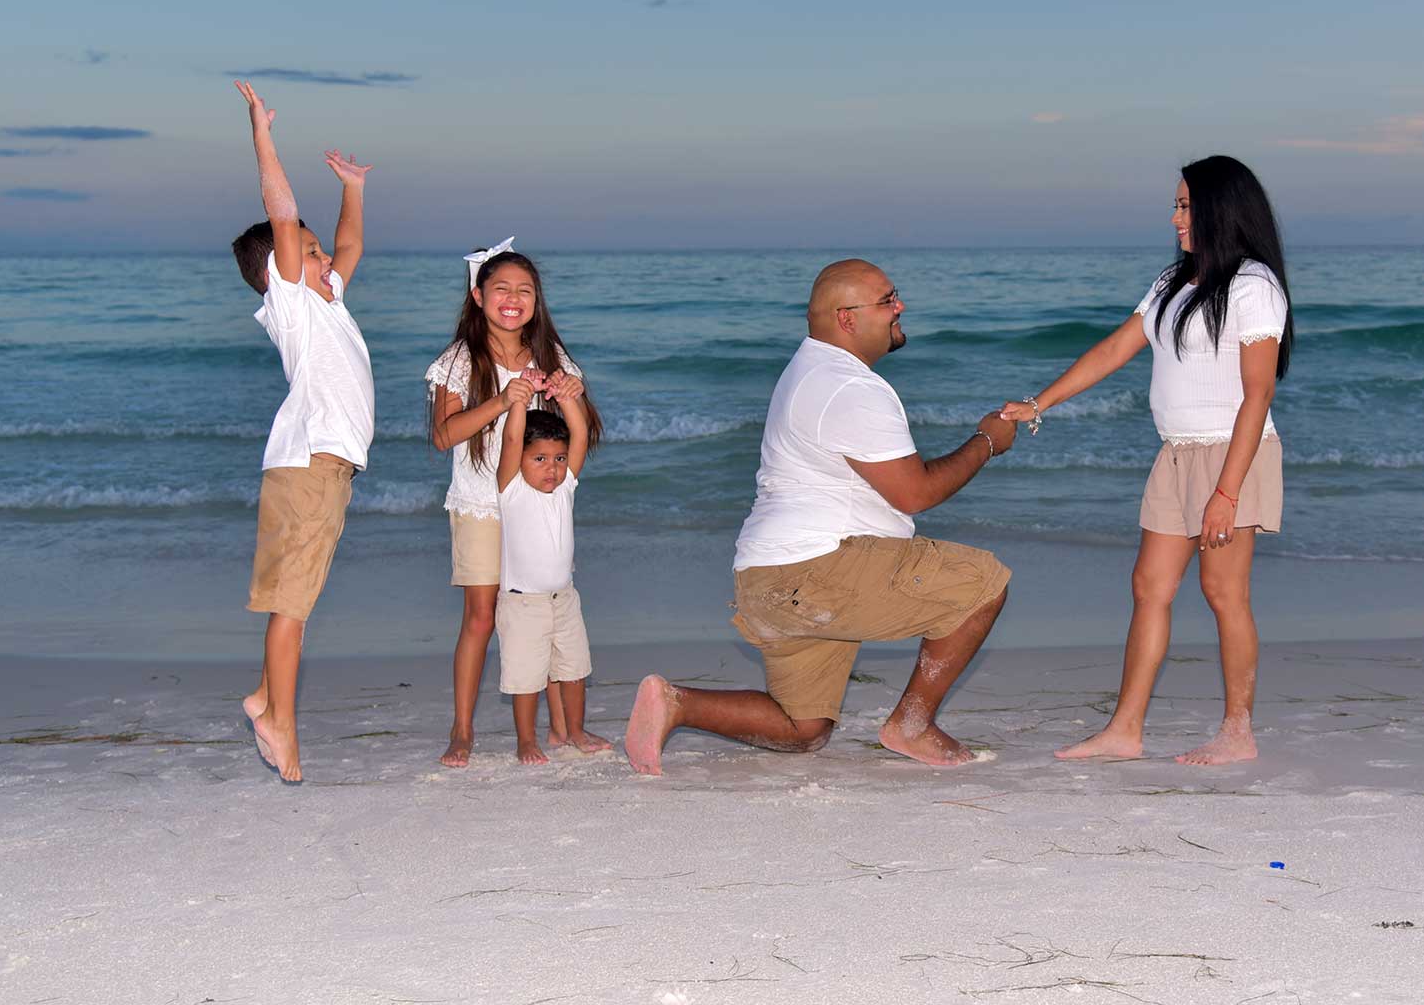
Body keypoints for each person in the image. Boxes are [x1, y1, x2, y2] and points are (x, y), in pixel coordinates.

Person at [624, 259, 1017, 776]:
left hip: (766, 578)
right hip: (816, 570)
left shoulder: (808, 368)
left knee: (802, 729)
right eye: (887, 299)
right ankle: (912, 724)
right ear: (847, 318)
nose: (900, 307)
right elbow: (915, 494)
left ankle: (676, 702)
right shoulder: (849, 386)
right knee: (983, 583)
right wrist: (987, 442)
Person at [1002, 155, 1293, 765]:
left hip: (1232, 456)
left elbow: (1258, 393)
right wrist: (1039, 403)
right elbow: (1115, 348)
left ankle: (1238, 732)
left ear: (1220, 208)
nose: (1175, 216)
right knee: (1148, 587)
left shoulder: (1253, 285)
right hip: (1178, 455)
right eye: (1177, 205)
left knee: (1223, 593)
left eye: (1186, 205)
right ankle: (1124, 731)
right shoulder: (1172, 283)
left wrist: (1227, 492)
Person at [229, 80, 376, 783]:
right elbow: (281, 216)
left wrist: (352, 188)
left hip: (324, 467)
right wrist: (262, 133)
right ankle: (279, 724)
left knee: (296, 591)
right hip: (311, 465)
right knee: (294, 606)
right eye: (307, 254)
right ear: (278, 273)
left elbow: (348, 244)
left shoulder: (326, 299)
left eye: (316, 255)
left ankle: (265, 694)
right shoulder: (291, 303)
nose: (323, 262)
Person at [425, 244, 603, 766]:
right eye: (501, 288)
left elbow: (581, 431)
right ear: (478, 296)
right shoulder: (460, 358)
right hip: (481, 503)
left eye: (524, 290)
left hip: (534, 506)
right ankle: (462, 730)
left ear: (536, 300)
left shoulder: (552, 357)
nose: (513, 299)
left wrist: (570, 391)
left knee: (545, 607)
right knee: (481, 617)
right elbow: (443, 435)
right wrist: (503, 400)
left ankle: (560, 728)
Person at [494, 390, 609, 764]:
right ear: (521, 460)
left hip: (565, 599)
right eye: (540, 459)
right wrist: (517, 403)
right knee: (526, 679)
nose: (552, 468)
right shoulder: (511, 491)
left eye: (559, 459)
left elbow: (579, 431)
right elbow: (512, 438)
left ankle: (572, 731)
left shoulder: (565, 489)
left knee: (574, 670)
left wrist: (567, 396)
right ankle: (526, 739)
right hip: (523, 604)